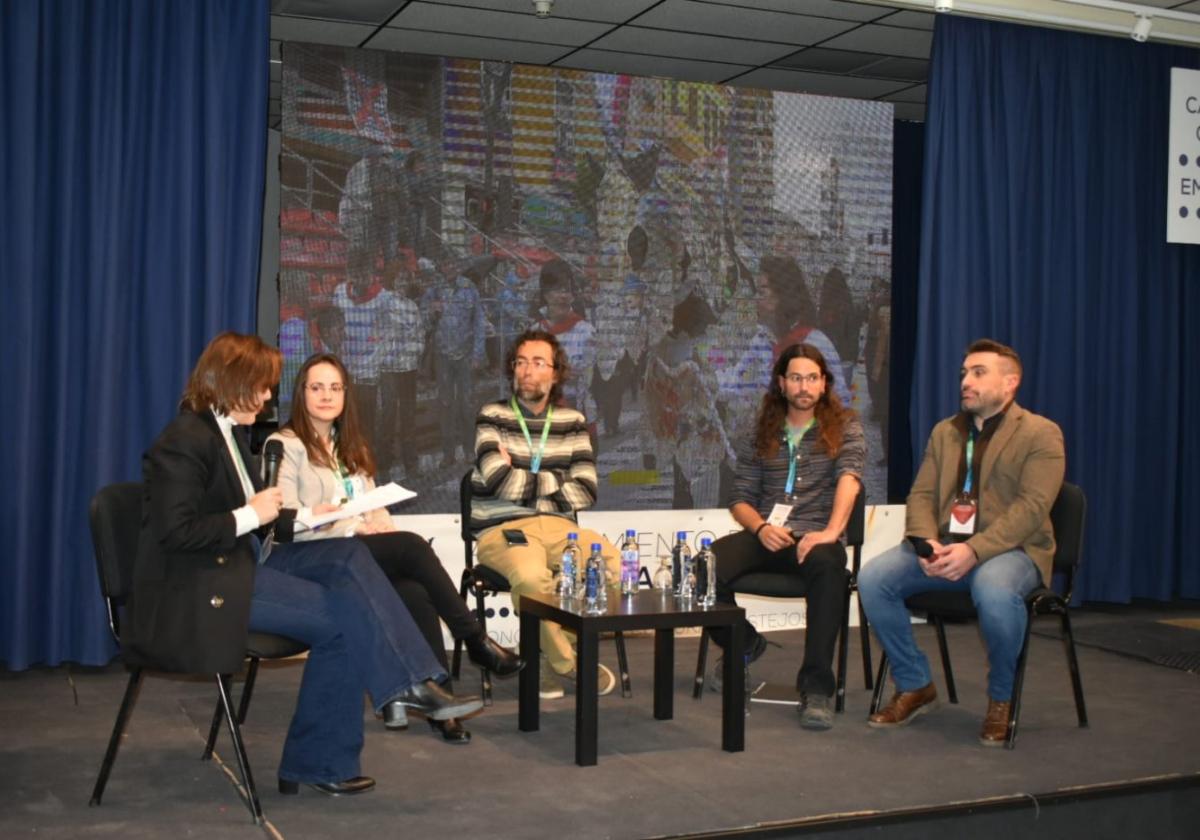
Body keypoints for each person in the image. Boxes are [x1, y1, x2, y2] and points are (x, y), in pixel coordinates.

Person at [124, 332, 482, 797]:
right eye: (263, 385)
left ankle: (403, 691)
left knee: (350, 557)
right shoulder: (184, 440)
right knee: (347, 619)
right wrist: (251, 514)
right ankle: (334, 749)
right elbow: (176, 533)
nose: (270, 395)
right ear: (231, 381)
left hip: (245, 567)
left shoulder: (224, 434)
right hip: (203, 585)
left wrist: (259, 516)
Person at [267, 352, 523, 745]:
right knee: (413, 548)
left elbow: (367, 499)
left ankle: (442, 701)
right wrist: (350, 522)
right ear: (301, 393)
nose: (326, 396)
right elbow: (282, 518)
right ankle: (475, 640)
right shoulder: (284, 444)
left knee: (414, 592)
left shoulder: (348, 444)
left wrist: (379, 518)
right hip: (314, 558)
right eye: (316, 387)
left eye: (335, 388)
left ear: (346, 395)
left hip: (354, 551)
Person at [857, 338, 1064, 746]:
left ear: (1011, 382)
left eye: (978, 373)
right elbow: (921, 496)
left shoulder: (1041, 434)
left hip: (1011, 551)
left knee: (994, 590)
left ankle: (1002, 698)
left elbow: (1033, 507)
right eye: (963, 374)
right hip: (946, 548)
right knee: (873, 579)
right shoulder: (946, 432)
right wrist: (925, 543)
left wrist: (974, 550)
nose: (965, 381)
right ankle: (916, 684)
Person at [707, 343, 865, 730]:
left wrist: (830, 533)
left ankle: (816, 689)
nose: (804, 386)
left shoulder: (846, 427)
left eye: (812, 378)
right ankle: (743, 643)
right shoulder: (759, 432)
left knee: (830, 570)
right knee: (703, 569)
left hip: (815, 539)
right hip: (767, 535)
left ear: (824, 383)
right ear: (781, 383)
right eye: (796, 377)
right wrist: (760, 528)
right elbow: (740, 499)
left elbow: (850, 480)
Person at [469, 329, 620, 700]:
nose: (527, 371)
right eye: (520, 362)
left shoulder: (572, 421)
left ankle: (542, 655)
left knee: (613, 566)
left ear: (555, 373)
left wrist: (527, 478)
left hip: (559, 528)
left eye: (538, 363)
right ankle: (569, 664)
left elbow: (586, 490)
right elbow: (499, 481)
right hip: (502, 529)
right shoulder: (493, 415)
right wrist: (557, 479)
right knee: (531, 578)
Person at [420, 258, 487, 466]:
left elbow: (479, 323)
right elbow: (422, 322)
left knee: (467, 403)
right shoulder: (432, 291)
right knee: (445, 403)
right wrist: (431, 312)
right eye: (445, 265)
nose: (448, 268)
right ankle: (448, 453)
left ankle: (468, 449)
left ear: (458, 267)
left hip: (465, 355)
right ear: (440, 267)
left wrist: (478, 353)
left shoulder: (469, 289)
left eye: (452, 265)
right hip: (442, 355)